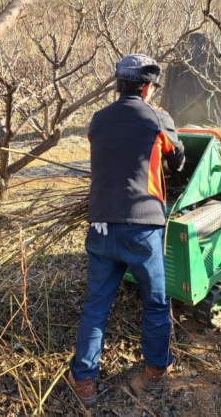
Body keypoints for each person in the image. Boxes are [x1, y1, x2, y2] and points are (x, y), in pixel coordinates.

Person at [68, 54, 186, 405]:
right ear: (148, 87)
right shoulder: (157, 117)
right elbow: (177, 161)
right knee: (154, 302)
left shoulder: (98, 120)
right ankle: (155, 371)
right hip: (142, 227)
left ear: (118, 85)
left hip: (101, 225)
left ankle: (84, 379)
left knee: (96, 306)